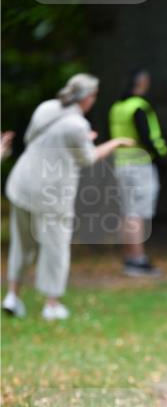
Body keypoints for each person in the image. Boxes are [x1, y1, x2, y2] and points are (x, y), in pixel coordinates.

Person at [2, 74, 133, 321]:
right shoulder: (77, 124)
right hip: (51, 192)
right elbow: (88, 158)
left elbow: (32, 138)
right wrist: (114, 143)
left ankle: (12, 296)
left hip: (22, 183)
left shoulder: (46, 108)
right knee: (55, 247)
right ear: (87, 98)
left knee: (22, 243)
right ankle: (52, 305)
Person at [109, 68, 167, 276]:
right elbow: (148, 136)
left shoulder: (117, 107)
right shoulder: (139, 107)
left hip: (121, 164)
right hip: (140, 165)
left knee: (127, 212)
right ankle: (137, 259)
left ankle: (130, 257)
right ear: (142, 83)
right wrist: (162, 158)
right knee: (137, 213)